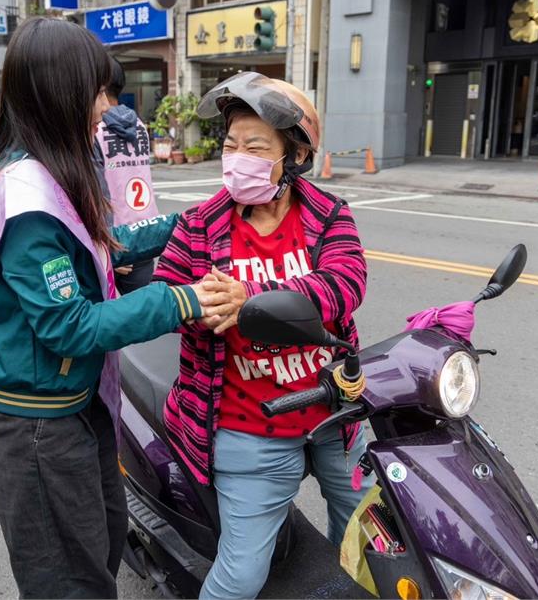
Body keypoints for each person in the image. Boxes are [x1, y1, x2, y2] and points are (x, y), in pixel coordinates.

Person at [0, 18, 224, 599]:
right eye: (98, 93)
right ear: (59, 93)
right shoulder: (27, 200)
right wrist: (183, 299)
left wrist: (192, 220)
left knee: (101, 539)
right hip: (36, 424)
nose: (107, 109)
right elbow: (69, 326)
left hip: (75, 405)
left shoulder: (52, 171)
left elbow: (104, 246)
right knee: (69, 578)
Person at [153, 72, 374, 599]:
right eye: (231, 145)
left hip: (333, 411)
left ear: (292, 155)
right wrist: (197, 307)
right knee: (243, 573)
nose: (238, 157)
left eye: (255, 146)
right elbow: (167, 294)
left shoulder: (327, 216)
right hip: (248, 424)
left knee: (365, 537)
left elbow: (344, 283)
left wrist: (250, 298)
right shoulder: (199, 226)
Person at [94, 59, 161, 294]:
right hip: (144, 231)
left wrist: (107, 242)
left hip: (114, 237)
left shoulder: (95, 129)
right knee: (140, 314)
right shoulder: (139, 125)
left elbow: (96, 189)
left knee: (110, 319)